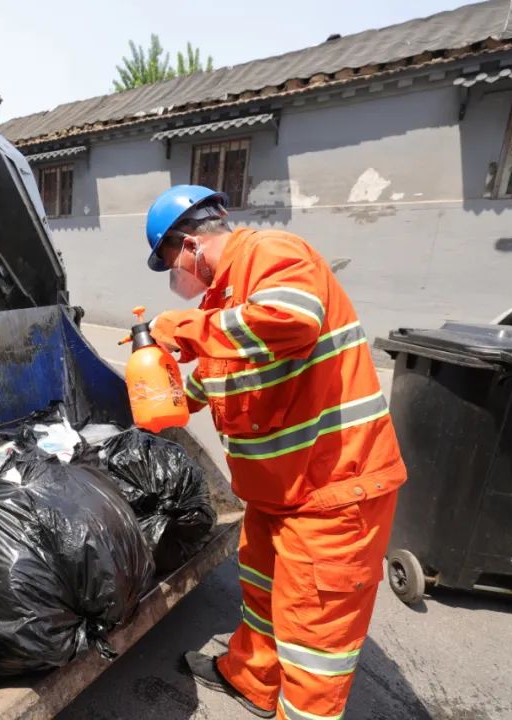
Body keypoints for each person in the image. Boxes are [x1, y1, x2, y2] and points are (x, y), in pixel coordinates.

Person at [143, 185, 406, 720]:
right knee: (263, 597)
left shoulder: (271, 252)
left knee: (314, 644)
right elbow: (215, 379)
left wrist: (183, 331)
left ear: (190, 244)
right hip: (276, 495)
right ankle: (251, 680)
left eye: (172, 263)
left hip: (332, 494)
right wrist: (158, 393)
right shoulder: (223, 303)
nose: (179, 278)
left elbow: (290, 321)